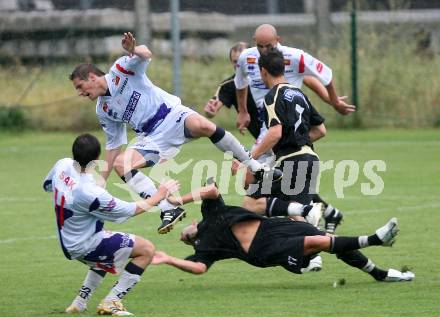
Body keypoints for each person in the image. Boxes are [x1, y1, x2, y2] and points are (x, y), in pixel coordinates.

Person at [69, 32, 282, 234]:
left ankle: (256, 166)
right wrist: (102, 181)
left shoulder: (120, 70)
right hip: (151, 137)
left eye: (80, 86)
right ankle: (167, 208)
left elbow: (145, 54)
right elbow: (114, 145)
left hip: (171, 113)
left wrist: (133, 49)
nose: (80, 93)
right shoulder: (103, 109)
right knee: (120, 164)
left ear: (91, 77)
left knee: (205, 126)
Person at [151, 185, 415, 283]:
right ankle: (376, 239)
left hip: (271, 228)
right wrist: (169, 259)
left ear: (193, 221)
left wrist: (178, 201)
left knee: (321, 237)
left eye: (183, 231)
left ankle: (379, 274)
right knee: (319, 241)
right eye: (183, 238)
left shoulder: (211, 212)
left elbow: (210, 189)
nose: (182, 235)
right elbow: (198, 268)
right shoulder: (204, 248)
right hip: (260, 252)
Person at [43, 133, 181, 316]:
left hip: (72, 239)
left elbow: (48, 185)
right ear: (97, 159)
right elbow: (131, 210)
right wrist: (160, 194)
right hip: (84, 244)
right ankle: (112, 301)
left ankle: (79, 304)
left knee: (109, 251)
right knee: (146, 249)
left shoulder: (63, 164)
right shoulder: (91, 193)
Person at [235, 24, 350, 231]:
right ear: (254, 42)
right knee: (277, 183)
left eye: (268, 45)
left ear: (278, 39)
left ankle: (297, 232)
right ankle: (323, 215)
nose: (264, 50)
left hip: (280, 128)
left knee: (251, 181)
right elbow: (240, 83)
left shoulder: (293, 58)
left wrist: (333, 101)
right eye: (260, 46)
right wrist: (243, 112)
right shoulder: (247, 58)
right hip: (273, 127)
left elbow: (322, 75)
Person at [203, 42, 262, 139]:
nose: (239, 64)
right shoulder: (228, 85)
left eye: (243, 60)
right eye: (235, 61)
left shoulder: (268, 77)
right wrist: (210, 111)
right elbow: (213, 108)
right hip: (262, 139)